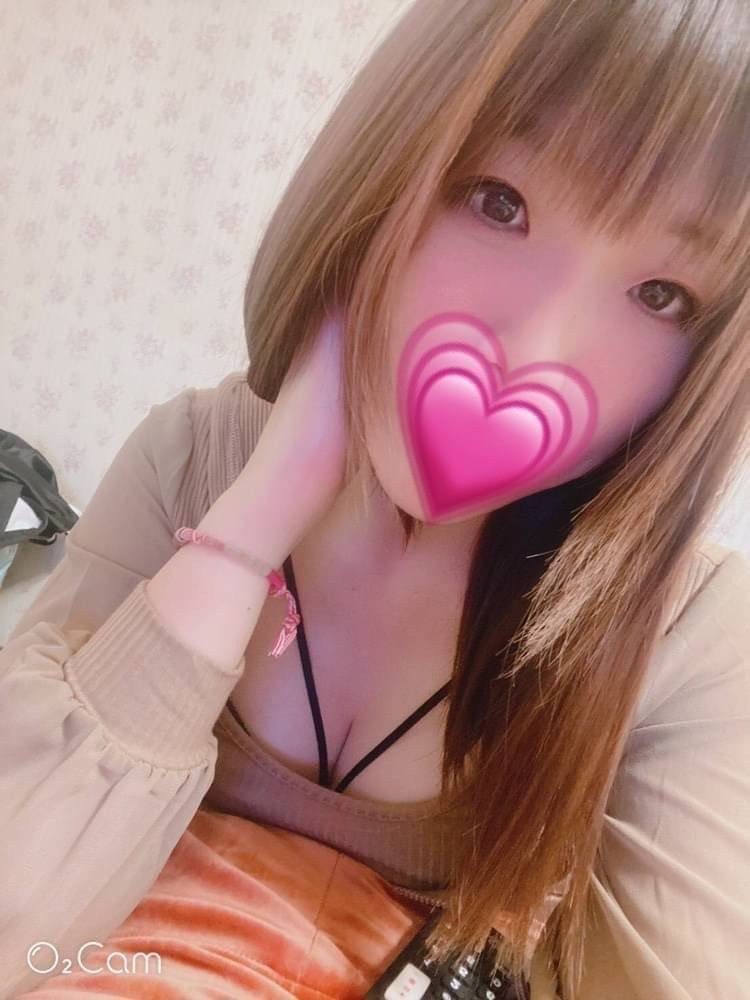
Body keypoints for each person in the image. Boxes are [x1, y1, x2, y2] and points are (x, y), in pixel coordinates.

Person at [1, 0, 748, 997]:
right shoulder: (192, 459)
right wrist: (253, 519)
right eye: (497, 201)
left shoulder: (688, 631)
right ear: (382, 171)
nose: (533, 355)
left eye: (662, 296)